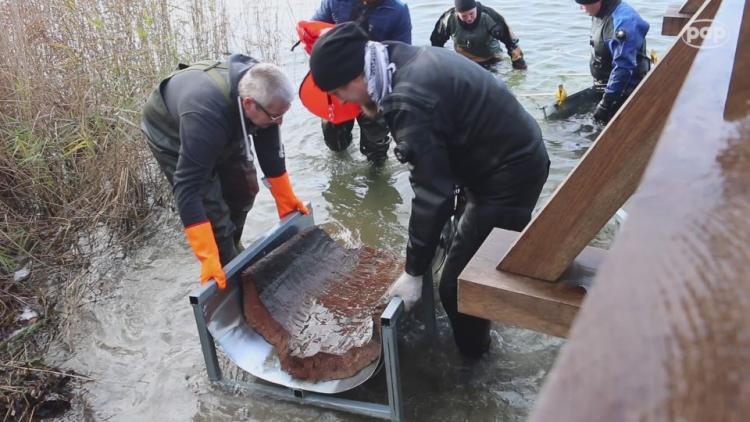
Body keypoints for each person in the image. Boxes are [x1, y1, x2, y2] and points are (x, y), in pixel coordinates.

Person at [308, 23, 550, 358]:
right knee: (456, 249)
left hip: (509, 175)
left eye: (338, 93)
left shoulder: (406, 99)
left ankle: (475, 361)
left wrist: (413, 272)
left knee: (457, 287)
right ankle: (481, 318)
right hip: (496, 157)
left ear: (355, 79)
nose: (342, 102)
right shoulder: (392, 57)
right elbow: (437, 176)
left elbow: (431, 194)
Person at [141, 55, 309, 289]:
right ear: (249, 104)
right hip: (171, 129)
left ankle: (232, 246)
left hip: (224, 116)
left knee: (245, 189)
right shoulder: (205, 116)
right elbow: (187, 187)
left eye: (283, 115)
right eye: (275, 116)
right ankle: (224, 260)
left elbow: (269, 143)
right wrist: (206, 256)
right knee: (213, 211)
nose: (280, 122)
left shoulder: (265, 87)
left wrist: (286, 198)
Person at [311, 0, 412, 163]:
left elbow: (403, 57)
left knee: (376, 148)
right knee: (334, 141)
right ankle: (340, 164)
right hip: (340, 84)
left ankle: (377, 177)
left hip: (373, 89)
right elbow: (314, 29)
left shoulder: (398, 10)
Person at [577, 0, 650, 123]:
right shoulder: (600, 12)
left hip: (625, 92)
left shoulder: (624, 22)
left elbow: (624, 68)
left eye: (584, 4)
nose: (581, 8)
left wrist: (606, 105)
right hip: (604, 87)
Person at [430, 0, 527, 69]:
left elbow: (511, 43)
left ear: (475, 8)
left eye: (471, 14)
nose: (468, 18)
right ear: (457, 13)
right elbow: (436, 44)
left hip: (492, 60)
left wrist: (519, 67)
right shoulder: (448, 19)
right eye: (464, 16)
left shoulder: (489, 16)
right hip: (465, 62)